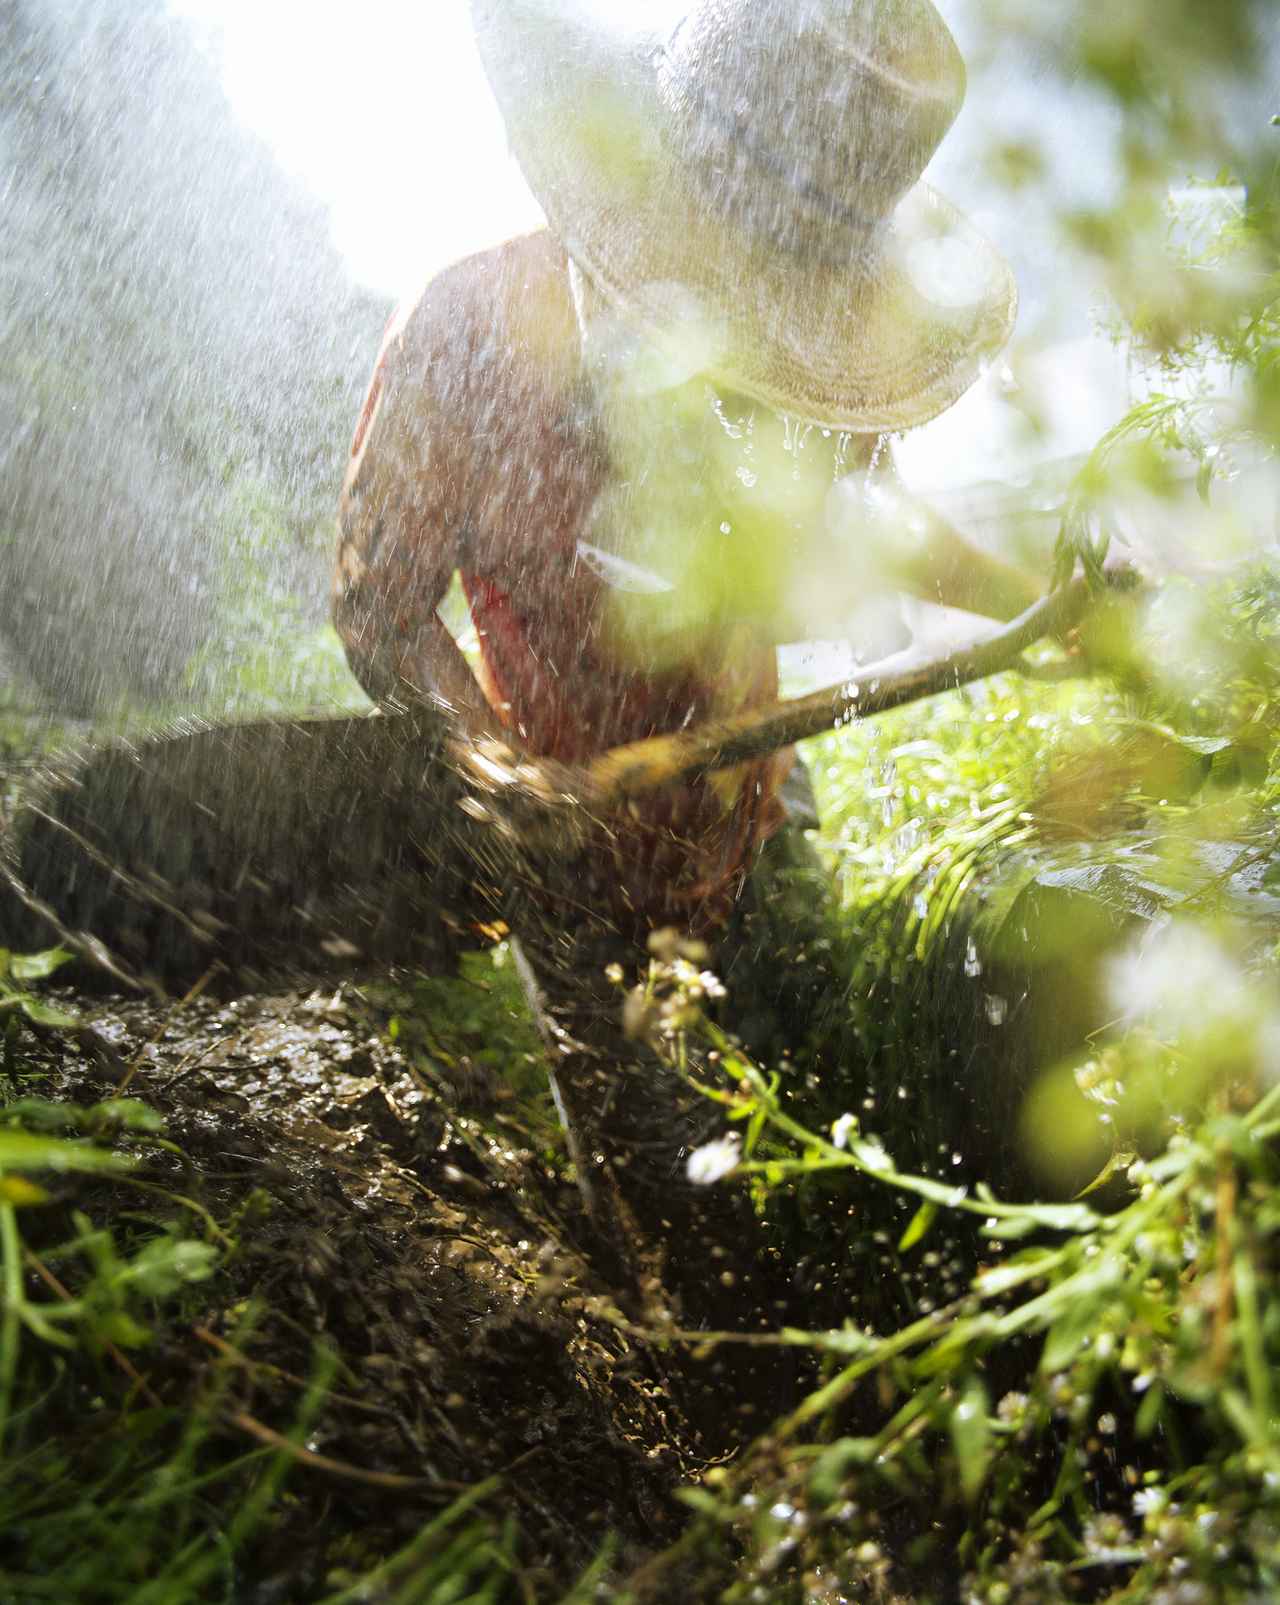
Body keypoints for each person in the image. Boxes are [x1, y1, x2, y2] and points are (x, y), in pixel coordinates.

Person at [332, 0, 1039, 940]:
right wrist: (490, 761)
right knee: (620, 1071)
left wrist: (1038, 599)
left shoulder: (816, 376)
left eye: (774, 308)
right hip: (554, 846)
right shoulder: (469, 337)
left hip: (754, 811)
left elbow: (872, 520)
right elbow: (376, 607)